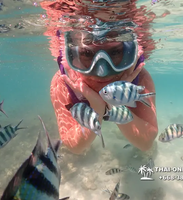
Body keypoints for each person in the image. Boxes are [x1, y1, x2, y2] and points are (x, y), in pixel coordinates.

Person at [40, 0, 160, 154]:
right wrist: (96, 108)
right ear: (71, 56)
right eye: (87, 54)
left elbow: (146, 142)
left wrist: (115, 102)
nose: (102, 71)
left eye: (115, 53)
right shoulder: (64, 82)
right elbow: (73, 145)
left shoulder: (139, 77)